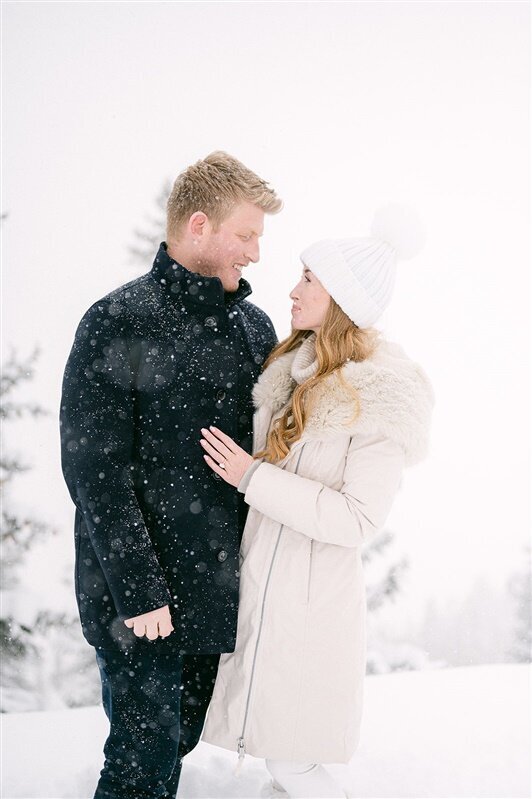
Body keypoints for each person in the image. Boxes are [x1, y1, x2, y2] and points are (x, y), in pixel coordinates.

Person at [59, 151, 282, 799]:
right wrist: (139, 589)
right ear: (199, 225)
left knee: (174, 744)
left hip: (214, 593)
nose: (256, 253)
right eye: (246, 235)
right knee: (141, 761)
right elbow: (93, 468)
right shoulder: (118, 320)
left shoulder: (253, 326)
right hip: (138, 599)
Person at [200, 205, 435, 799]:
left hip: (310, 619)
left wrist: (254, 478)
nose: (292, 289)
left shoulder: (379, 398)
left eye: (309, 278)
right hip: (267, 603)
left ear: (342, 298)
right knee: (283, 765)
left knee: (292, 764)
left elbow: (357, 519)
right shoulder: (292, 376)